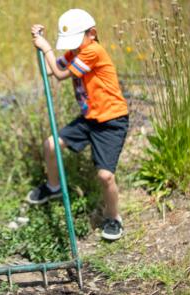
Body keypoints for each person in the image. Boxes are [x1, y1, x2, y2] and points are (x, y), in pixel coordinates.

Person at [28, 9, 129, 241]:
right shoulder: (76, 51)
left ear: (92, 34)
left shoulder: (93, 51)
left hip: (111, 121)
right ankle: (53, 187)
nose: (72, 46)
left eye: (76, 40)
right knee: (51, 145)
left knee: (105, 176)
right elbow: (52, 68)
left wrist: (46, 48)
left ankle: (114, 218)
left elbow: (60, 74)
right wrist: (40, 42)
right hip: (89, 118)